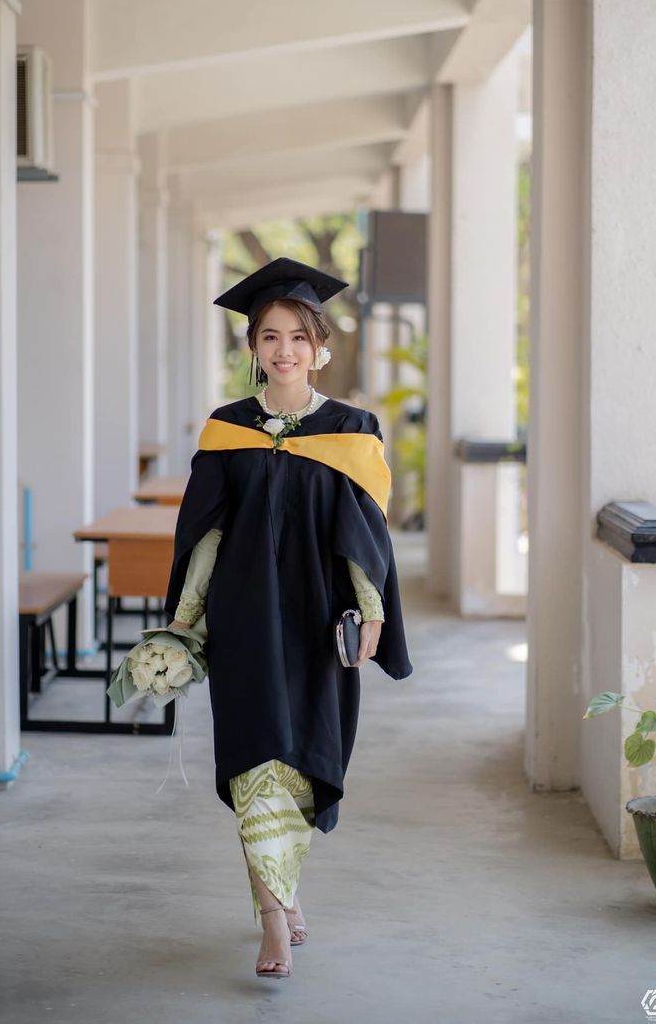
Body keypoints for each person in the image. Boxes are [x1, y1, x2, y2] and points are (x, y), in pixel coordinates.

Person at [162, 256, 413, 980]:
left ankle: (287, 885)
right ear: (252, 348)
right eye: (269, 336)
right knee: (256, 757)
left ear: (320, 346)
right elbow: (204, 533)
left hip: (317, 616)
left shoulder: (351, 429)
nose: (284, 350)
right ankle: (272, 918)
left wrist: (370, 613)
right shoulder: (227, 429)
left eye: (298, 337)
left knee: (306, 760)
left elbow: (366, 533)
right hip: (245, 614)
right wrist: (182, 625)